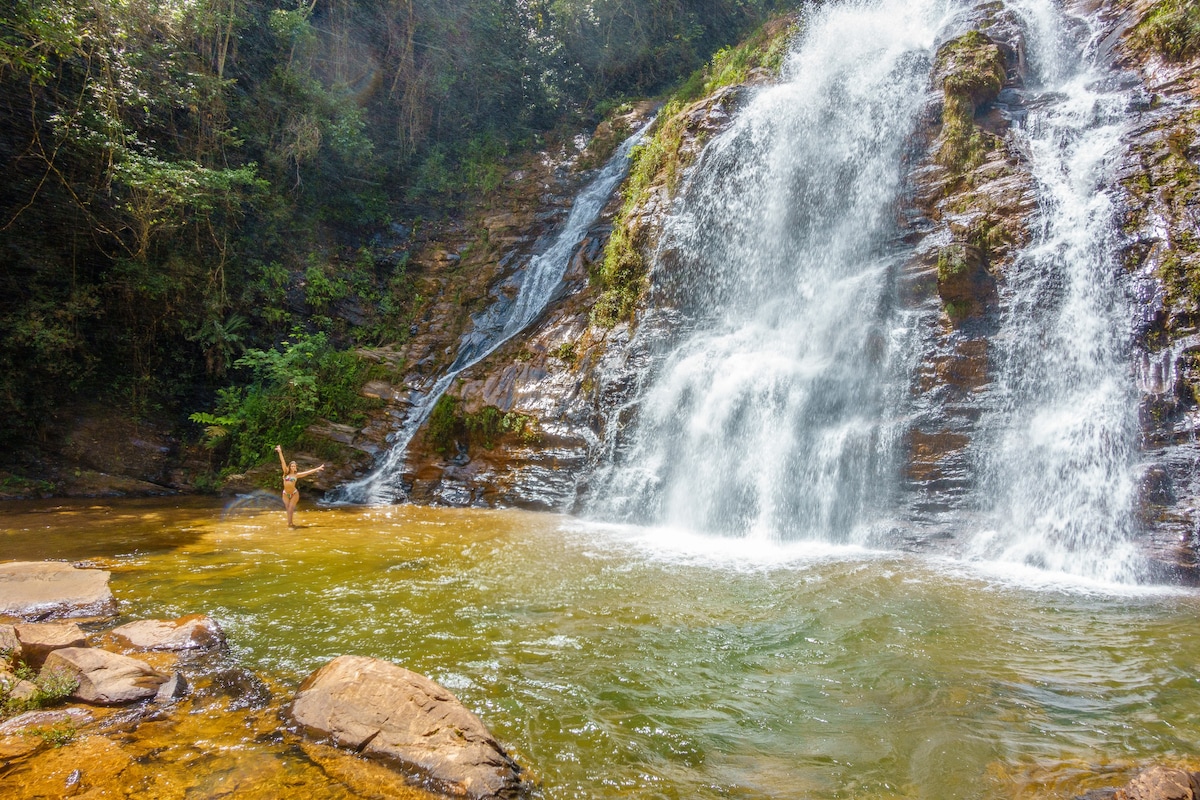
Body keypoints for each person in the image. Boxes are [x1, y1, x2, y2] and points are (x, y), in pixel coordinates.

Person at [275, 445, 325, 528]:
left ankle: (290, 524)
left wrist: (318, 468)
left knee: (291, 508)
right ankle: (290, 523)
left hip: (294, 493)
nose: (293, 467)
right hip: (285, 494)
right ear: (290, 467)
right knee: (288, 509)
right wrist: (280, 452)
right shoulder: (285, 472)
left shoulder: (296, 475)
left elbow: (308, 472)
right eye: (292, 466)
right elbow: (283, 462)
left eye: (294, 466)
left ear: (295, 468)